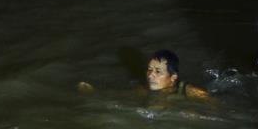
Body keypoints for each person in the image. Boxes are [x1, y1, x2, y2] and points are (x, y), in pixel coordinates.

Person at [77, 49, 208, 100]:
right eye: (149, 69)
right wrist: (93, 93)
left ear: (173, 77)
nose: (151, 75)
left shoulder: (190, 91)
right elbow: (118, 96)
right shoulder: (144, 90)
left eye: (158, 71)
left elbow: (217, 108)